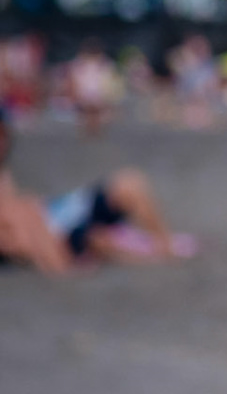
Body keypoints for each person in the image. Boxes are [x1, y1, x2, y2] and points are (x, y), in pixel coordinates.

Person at [0, 109, 191, 274]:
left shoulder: (5, 173)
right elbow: (17, 234)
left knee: (129, 186)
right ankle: (165, 248)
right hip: (60, 227)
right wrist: (55, 262)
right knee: (130, 184)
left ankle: (162, 246)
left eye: (3, 135)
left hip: (61, 213)